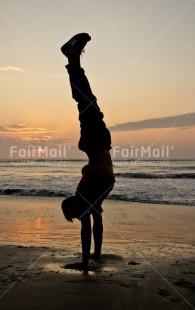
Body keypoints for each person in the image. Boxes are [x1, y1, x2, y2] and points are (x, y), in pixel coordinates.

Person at [61, 33, 115, 270]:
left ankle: (73, 58)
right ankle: (72, 59)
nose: (74, 198)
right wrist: (96, 256)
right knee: (86, 101)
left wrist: (84, 262)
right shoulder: (90, 202)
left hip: (95, 143)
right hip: (96, 142)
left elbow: (87, 228)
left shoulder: (84, 196)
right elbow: (97, 223)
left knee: (85, 100)